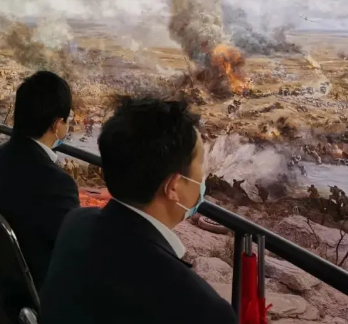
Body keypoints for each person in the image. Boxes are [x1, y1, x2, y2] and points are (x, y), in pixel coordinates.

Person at [41, 97, 236, 324]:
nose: (202, 178)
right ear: (173, 187)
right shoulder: (202, 309)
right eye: (200, 166)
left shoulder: (75, 223)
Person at [0, 71, 79, 309]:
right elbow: (73, 254)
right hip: (40, 295)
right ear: (57, 125)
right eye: (67, 120)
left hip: (7, 284)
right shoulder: (56, 184)